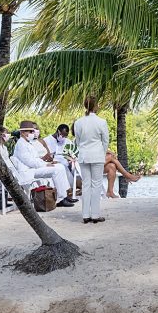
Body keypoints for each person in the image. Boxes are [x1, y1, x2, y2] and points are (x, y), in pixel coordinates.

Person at [13, 120, 76, 207]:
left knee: (60, 166)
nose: (33, 133)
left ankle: (64, 196)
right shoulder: (21, 144)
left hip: (33, 169)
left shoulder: (27, 143)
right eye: (30, 131)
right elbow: (30, 162)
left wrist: (46, 163)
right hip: (28, 171)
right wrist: (45, 164)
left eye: (33, 131)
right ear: (23, 132)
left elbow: (35, 159)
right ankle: (61, 199)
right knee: (57, 169)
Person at [73, 96, 109, 224]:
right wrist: (102, 152)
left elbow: (77, 141)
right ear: (95, 106)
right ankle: (95, 215)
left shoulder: (78, 122)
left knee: (86, 184)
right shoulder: (101, 122)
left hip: (83, 155)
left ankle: (85, 215)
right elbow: (105, 141)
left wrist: (83, 149)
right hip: (97, 155)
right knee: (96, 184)